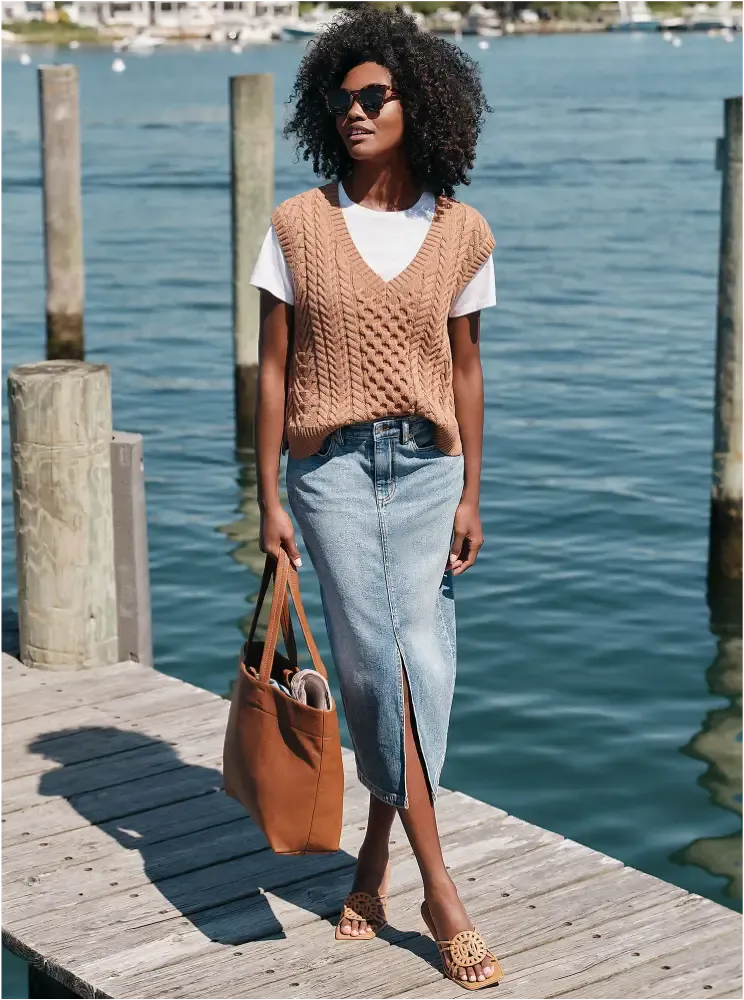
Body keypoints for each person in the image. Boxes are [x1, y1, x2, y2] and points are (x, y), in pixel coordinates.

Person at [250, 5, 501, 990]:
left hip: (431, 470)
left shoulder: (462, 232)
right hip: (332, 475)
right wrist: (268, 496)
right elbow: (274, 369)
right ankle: (442, 892)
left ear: (417, 105)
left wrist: (474, 490)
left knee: (418, 668)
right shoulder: (297, 227)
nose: (352, 111)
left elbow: (466, 368)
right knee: (378, 666)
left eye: (373, 95)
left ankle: (374, 856)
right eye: (338, 97)